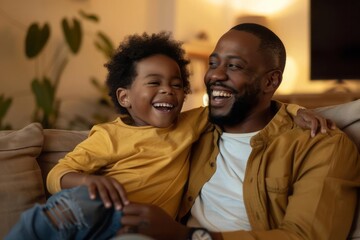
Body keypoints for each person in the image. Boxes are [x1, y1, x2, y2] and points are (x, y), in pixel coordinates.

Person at [5, 29, 330, 240]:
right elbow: (58, 174)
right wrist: (86, 181)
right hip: (100, 208)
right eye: (154, 83)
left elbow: (252, 104)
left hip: (132, 227)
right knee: (80, 205)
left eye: (176, 84)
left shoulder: (192, 123)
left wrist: (296, 110)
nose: (168, 91)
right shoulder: (108, 136)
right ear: (124, 97)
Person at [116, 23, 360, 240]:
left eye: (234, 66)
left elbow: (307, 236)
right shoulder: (193, 128)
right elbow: (125, 136)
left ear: (270, 82)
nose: (215, 75)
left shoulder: (321, 145)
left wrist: (186, 235)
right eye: (213, 63)